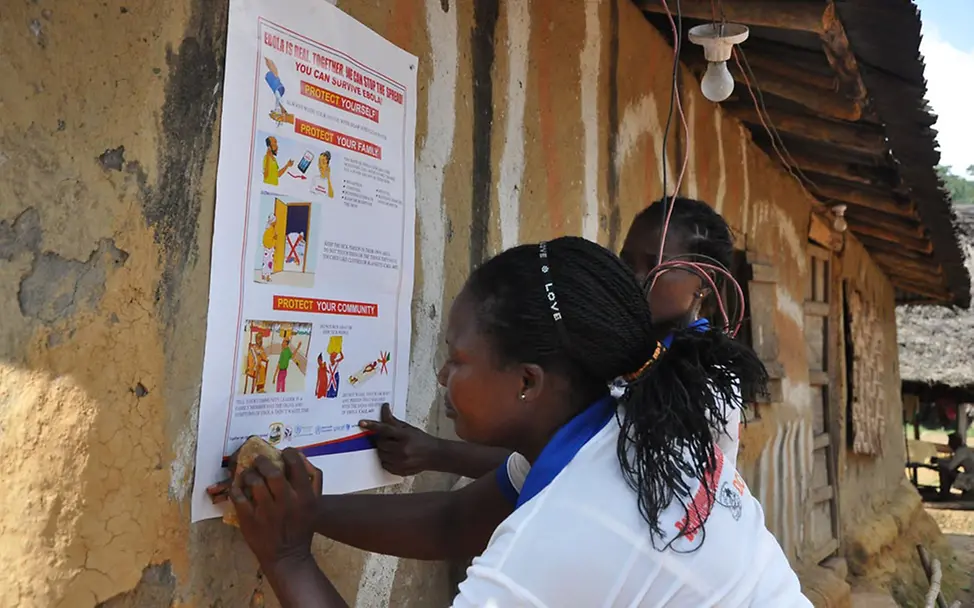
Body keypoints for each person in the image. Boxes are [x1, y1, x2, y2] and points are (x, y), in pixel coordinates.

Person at [211, 236, 810, 607]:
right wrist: (304, 512)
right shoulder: (619, 425)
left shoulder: (569, 527)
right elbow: (453, 522)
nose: (443, 378)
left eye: (458, 359)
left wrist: (287, 557)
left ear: (527, 381)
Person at [361, 197, 743, 478]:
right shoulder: (619, 348)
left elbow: (578, 462)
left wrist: (437, 453)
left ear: (704, 286)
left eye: (659, 267)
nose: (639, 278)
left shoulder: (702, 382)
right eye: (629, 260)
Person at [937, 433, 974, 497]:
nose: (949, 444)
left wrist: (939, 462)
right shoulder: (965, 450)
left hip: (971, 478)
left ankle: (944, 494)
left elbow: (950, 467)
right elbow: (952, 462)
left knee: (944, 471)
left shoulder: (961, 452)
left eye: (950, 442)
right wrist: (939, 460)